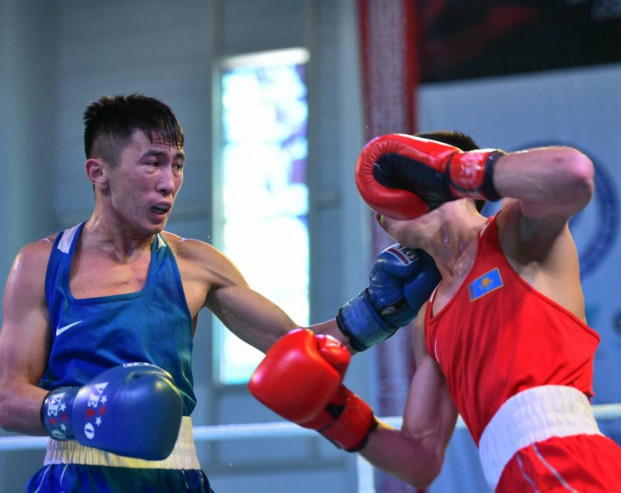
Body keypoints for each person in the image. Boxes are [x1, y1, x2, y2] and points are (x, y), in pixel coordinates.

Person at [0, 94, 441, 492]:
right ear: (99, 172)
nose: (169, 182)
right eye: (152, 163)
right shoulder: (42, 264)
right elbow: (7, 396)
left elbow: (298, 349)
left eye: (177, 165)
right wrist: (82, 410)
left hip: (176, 480)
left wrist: (377, 312)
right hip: (73, 479)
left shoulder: (196, 264)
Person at [249, 131, 621, 491]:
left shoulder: (514, 235)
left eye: (394, 180)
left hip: (565, 462)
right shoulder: (429, 319)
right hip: (515, 477)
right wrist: (334, 415)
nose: (380, 205)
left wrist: (453, 171)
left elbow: (573, 174)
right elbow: (421, 460)